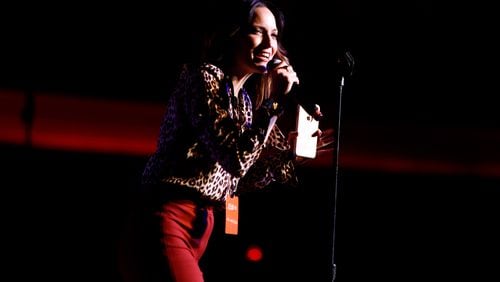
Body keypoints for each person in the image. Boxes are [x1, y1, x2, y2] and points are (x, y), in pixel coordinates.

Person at [117, 0, 321, 281]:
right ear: (233, 34)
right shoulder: (203, 78)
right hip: (168, 215)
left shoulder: (245, 104)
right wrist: (274, 104)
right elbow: (233, 158)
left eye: (273, 35)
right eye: (256, 31)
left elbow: (240, 177)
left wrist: (290, 155)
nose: (268, 44)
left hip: (203, 224)